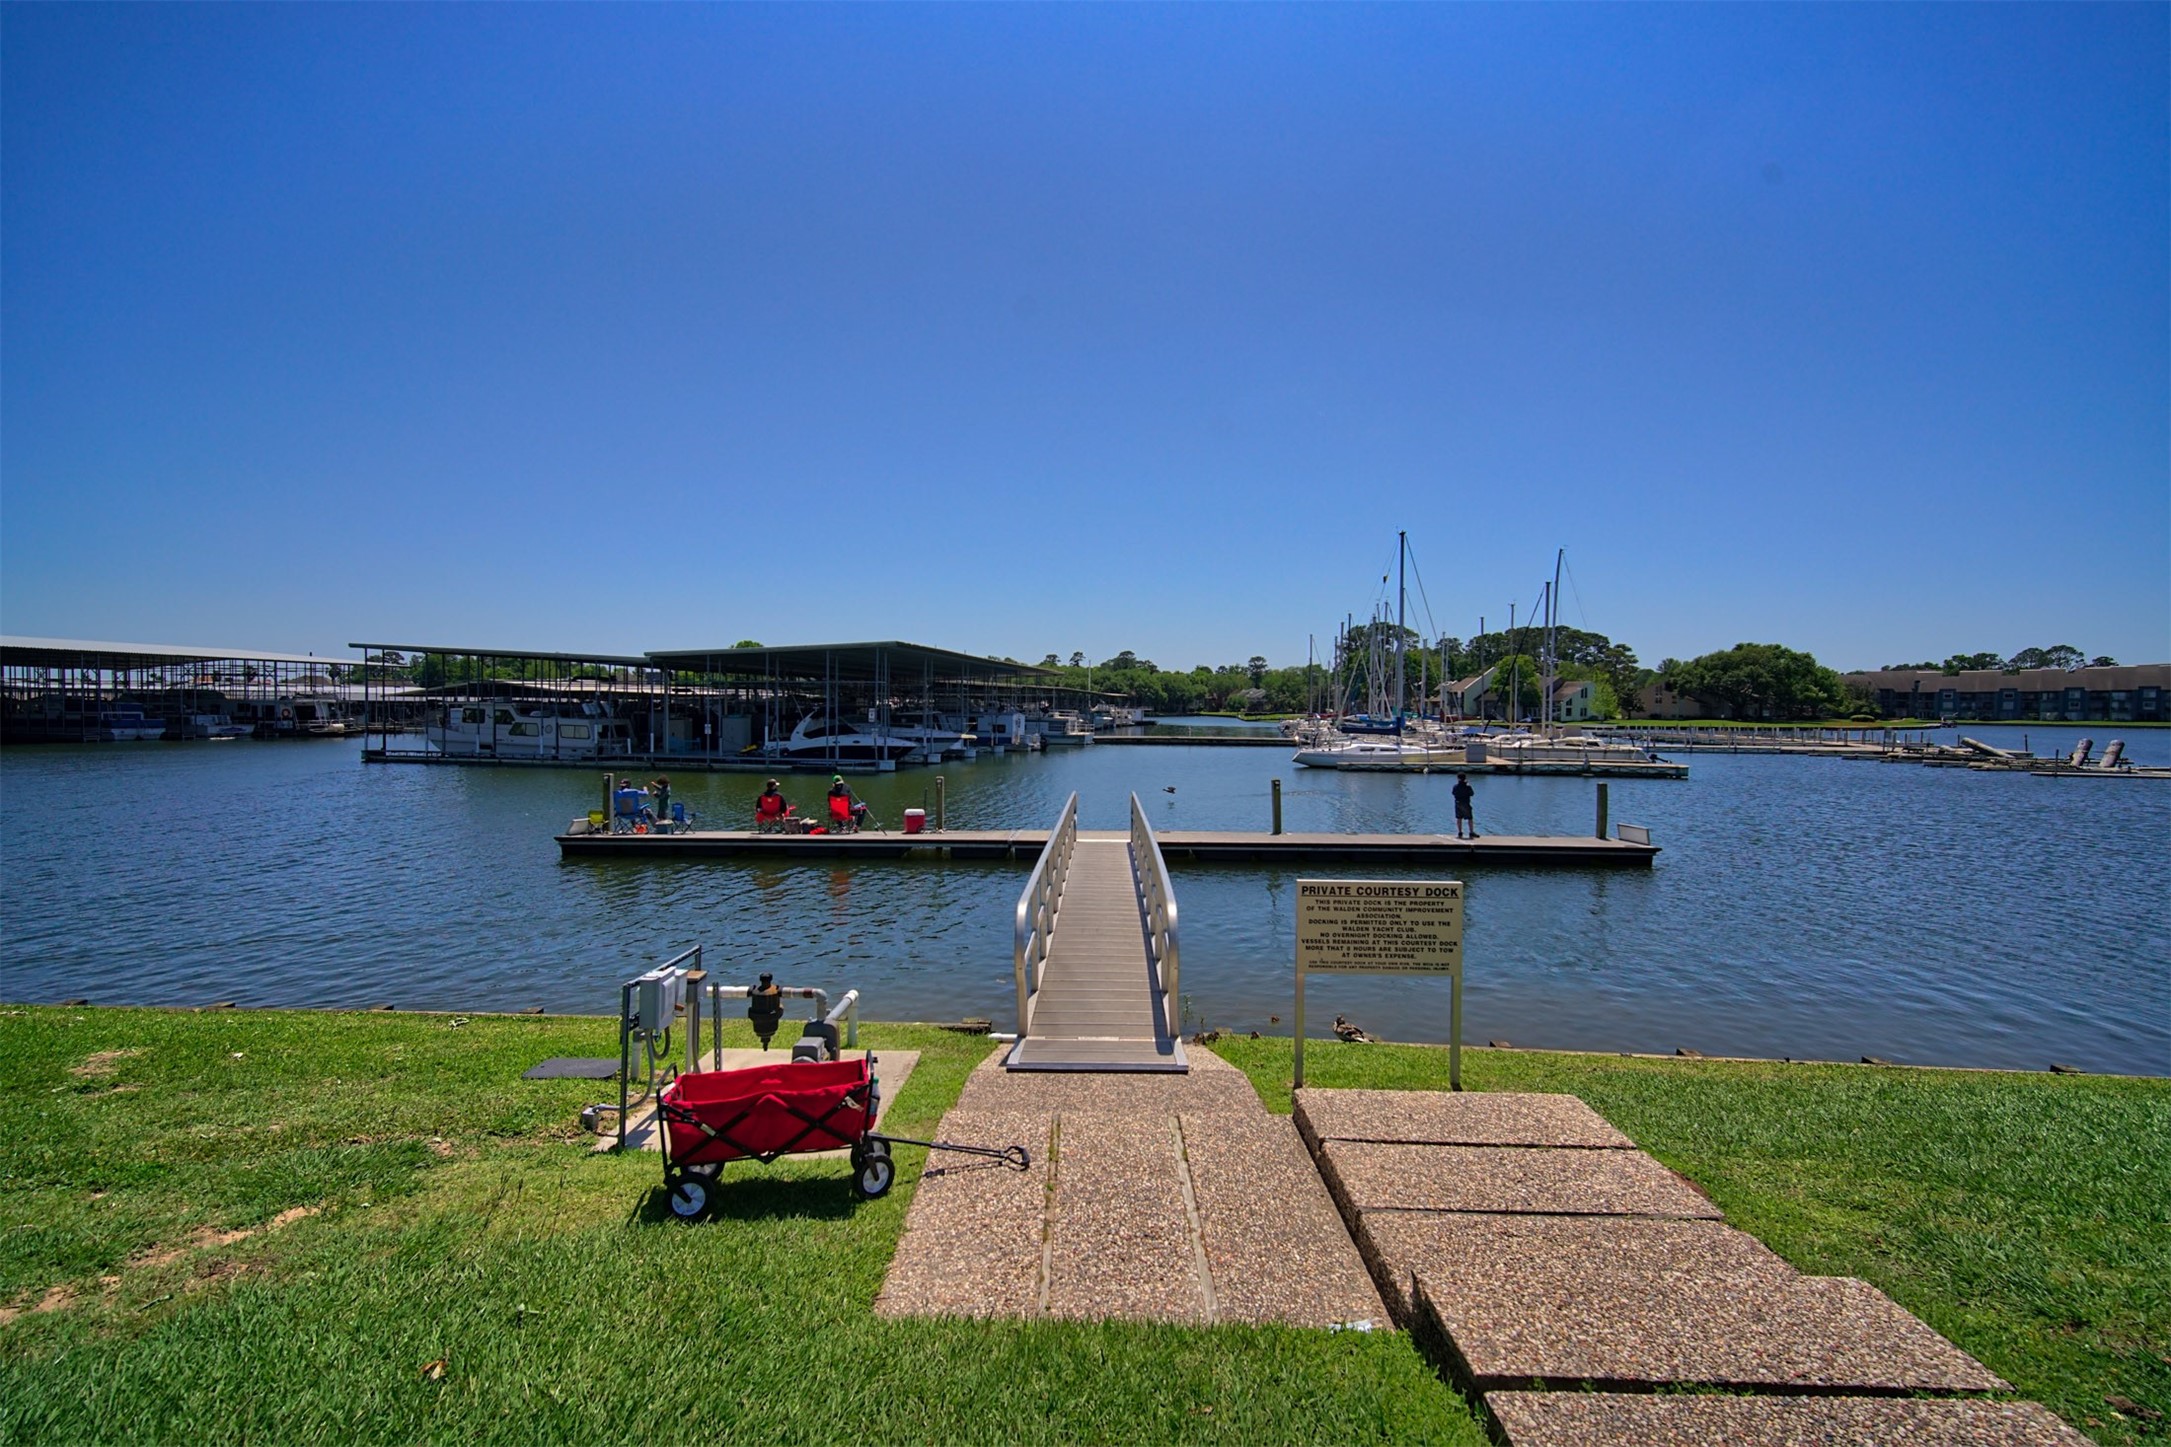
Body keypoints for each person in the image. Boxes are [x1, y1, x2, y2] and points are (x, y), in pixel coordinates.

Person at [1452, 772, 1479, 839]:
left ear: (1458, 778)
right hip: (1465, 803)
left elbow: (1453, 793)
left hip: (1458, 803)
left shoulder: (1455, 786)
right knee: (1470, 818)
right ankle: (1471, 832)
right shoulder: (1467, 786)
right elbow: (1472, 794)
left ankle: (1460, 832)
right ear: (1465, 778)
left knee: (1459, 818)